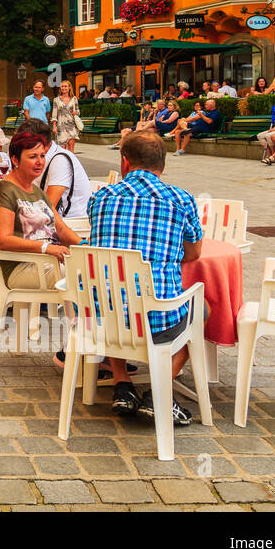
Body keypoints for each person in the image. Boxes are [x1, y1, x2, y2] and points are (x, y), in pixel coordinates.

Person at [86, 131, 203, 423]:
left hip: (102, 319)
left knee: (114, 292)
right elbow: (193, 254)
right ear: (162, 165)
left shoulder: (101, 197)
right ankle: (157, 391)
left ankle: (122, 383)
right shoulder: (181, 199)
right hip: (156, 320)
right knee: (202, 311)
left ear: (125, 163)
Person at [0, 131, 82, 296]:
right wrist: (46, 248)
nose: (40, 162)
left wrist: (84, 246)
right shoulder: (4, 191)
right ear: (15, 160)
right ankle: (83, 321)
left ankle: (85, 320)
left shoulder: (36, 191)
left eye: (42, 156)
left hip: (50, 262)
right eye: (32, 157)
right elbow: (3, 240)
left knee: (97, 268)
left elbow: (62, 230)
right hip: (23, 267)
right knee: (86, 276)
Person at [19, 118, 91, 219]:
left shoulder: (60, 160)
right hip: (54, 220)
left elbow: (48, 205)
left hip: (71, 223)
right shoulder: (44, 157)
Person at [51, 80, 81, 152]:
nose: (63, 88)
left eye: (65, 86)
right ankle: (63, 163)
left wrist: (76, 112)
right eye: (62, 86)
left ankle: (71, 163)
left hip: (72, 126)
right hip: (60, 126)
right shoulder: (56, 100)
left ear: (69, 87)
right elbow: (54, 114)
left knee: (71, 149)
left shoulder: (74, 99)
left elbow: (78, 111)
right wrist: (54, 126)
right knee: (62, 149)